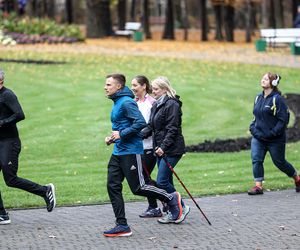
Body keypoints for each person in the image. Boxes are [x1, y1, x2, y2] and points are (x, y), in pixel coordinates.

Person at [103, 73, 184, 237]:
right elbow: (122, 127)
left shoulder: (126, 102)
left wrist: (122, 134)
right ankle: (122, 225)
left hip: (131, 151)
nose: (105, 87)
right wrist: (113, 137)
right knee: (112, 186)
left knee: (139, 187)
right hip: (118, 151)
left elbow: (140, 122)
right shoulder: (118, 102)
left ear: (118, 86)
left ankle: (170, 198)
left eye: (109, 85)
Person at [0, 69, 56, 225]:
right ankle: (2, 214)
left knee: (10, 179)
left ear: (1, 81)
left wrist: (2, 123)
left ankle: (45, 190)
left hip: (9, 143)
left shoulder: (7, 95)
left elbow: (19, 114)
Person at [142, 76, 190, 224]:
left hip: (172, 149)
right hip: (160, 149)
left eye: (156, 89)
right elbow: (151, 126)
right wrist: (133, 135)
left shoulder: (172, 105)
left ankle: (178, 208)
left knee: (162, 181)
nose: (153, 91)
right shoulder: (157, 104)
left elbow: (172, 129)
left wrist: (163, 147)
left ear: (164, 89)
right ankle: (178, 208)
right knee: (167, 180)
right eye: (153, 89)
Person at [248, 72, 300, 195]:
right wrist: (253, 128)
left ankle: (297, 178)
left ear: (273, 83)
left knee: (279, 162)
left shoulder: (278, 100)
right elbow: (256, 117)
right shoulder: (258, 98)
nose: (263, 80)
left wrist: (272, 133)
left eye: (266, 79)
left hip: (275, 139)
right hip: (258, 137)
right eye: (263, 78)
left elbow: (283, 120)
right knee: (256, 159)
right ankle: (258, 186)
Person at [131, 75, 162, 218]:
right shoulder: (133, 102)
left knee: (144, 178)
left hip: (148, 146)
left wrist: (139, 135)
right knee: (144, 178)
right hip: (135, 147)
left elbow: (153, 125)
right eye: (132, 85)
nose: (133, 88)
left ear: (144, 86)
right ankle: (167, 198)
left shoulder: (152, 103)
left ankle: (158, 204)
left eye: (135, 85)